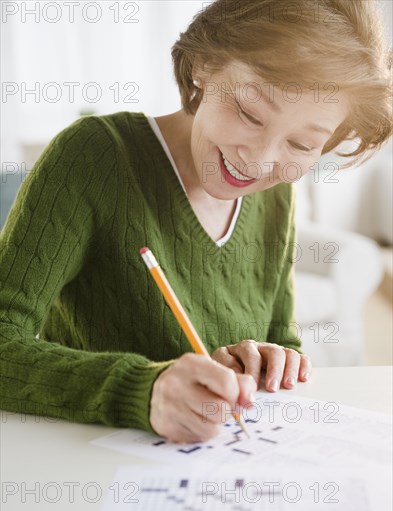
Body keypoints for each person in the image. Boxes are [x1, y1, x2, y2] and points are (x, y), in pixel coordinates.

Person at [0, 0, 391, 444]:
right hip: (94, 474)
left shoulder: (278, 193)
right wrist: (143, 389)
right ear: (203, 65)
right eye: (249, 113)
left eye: (302, 144)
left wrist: (265, 362)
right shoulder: (94, 157)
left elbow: (282, 340)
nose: (259, 162)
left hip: (219, 478)